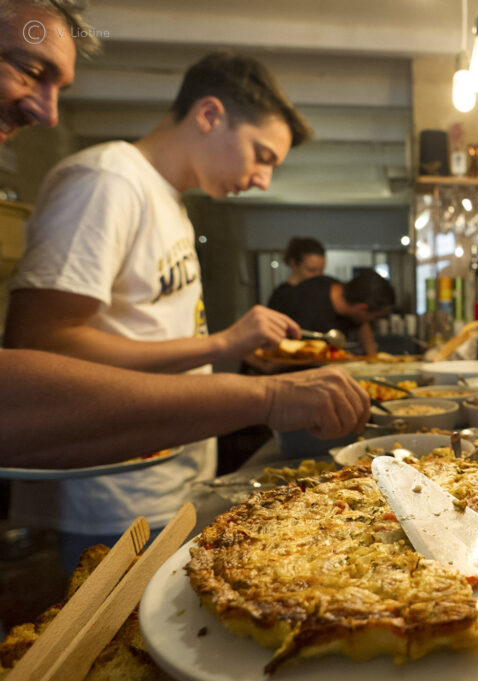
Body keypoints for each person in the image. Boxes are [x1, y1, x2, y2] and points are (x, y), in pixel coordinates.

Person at [0, 23, 366, 567]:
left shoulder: (168, 200)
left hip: (164, 478)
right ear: (210, 115)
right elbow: (42, 345)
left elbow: (144, 333)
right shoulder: (109, 180)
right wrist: (221, 345)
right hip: (112, 494)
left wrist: (233, 348)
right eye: (261, 154)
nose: (263, 179)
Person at [270, 270, 395, 355]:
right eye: (374, 317)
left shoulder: (338, 288)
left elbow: (362, 323)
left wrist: (371, 353)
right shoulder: (310, 313)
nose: (370, 322)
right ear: (362, 308)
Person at [266, 236, 325, 311]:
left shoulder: (321, 290)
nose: (318, 275)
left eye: (321, 270)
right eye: (311, 270)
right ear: (293, 264)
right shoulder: (282, 297)